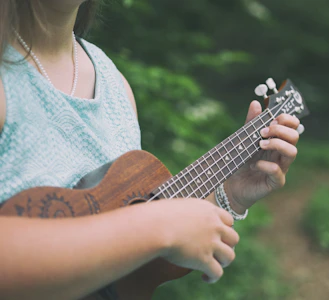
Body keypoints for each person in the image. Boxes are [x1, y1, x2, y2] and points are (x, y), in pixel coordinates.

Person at [0, 1, 300, 299]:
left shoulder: (115, 87)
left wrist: (229, 194)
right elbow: (144, 230)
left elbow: (123, 265)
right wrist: (156, 226)